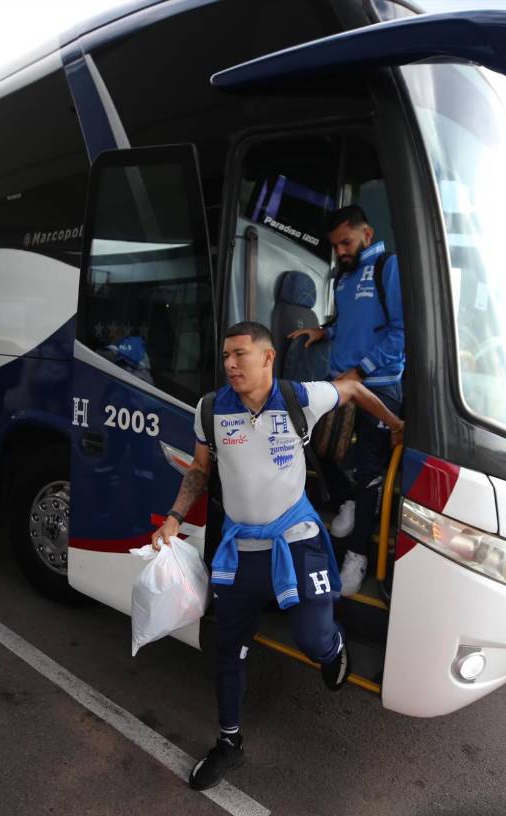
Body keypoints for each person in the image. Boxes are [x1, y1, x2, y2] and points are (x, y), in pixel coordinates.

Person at [150, 321, 403, 791]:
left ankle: (333, 648)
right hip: (242, 548)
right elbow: (200, 472)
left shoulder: (299, 398)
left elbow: (352, 389)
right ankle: (228, 743)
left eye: (240, 354)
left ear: (267, 358)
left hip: (298, 538)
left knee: (312, 636)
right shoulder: (210, 409)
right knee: (227, 649)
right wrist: (173, 518)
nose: (229, 364)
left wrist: (395, 426)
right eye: (226, 355)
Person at [287, 205, 405, 596]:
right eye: (335, 245)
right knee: (314, 442)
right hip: (339, 382)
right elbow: (344, 321)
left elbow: (401, 332)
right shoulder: (342, 278)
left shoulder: (388, 268)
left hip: (378, 384)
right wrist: (322, 331)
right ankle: (349, 499)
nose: (340, 250)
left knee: (371, 469)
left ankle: (357, 557)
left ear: (367, 235)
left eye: (346, 242)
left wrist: (362, 370)